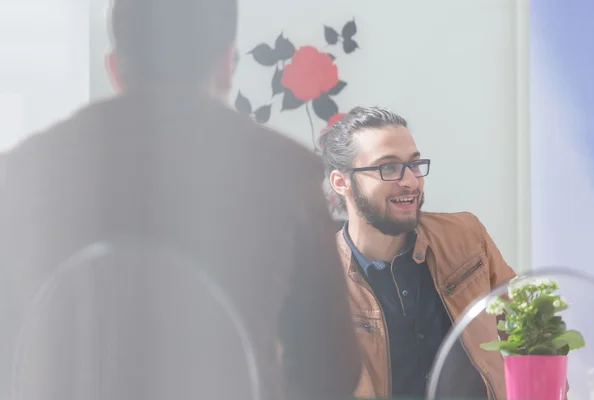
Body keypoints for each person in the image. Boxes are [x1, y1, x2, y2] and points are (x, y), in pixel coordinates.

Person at [0, 0, 360, 399]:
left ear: (115, 67)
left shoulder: (20, 172)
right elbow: (332, 372)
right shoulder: (286, 171)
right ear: (226, 64)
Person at [319, 106, 517, 399]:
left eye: (413, 164)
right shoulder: (321, 281)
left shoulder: (466, 235)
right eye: (388, 167)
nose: (410, 181)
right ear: (342, 182)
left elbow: (528, 327)